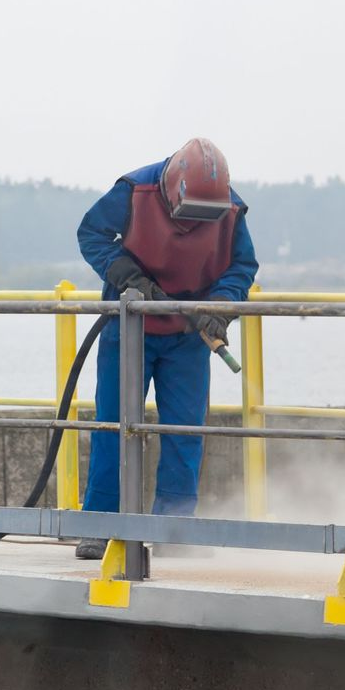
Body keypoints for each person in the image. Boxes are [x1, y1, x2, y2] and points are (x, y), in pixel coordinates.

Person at [72, 137, 259, 559]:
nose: (193, 225)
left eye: (203, 218)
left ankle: (174, 528)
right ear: (172, 190)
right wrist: (127, 275)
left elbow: (242, 267)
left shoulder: (231, 211)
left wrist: (221, 305)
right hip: (129, 326)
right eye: (188, 214)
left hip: (189, 336)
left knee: (185, 432)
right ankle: (101, 526)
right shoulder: (134, 191)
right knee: (114, 429)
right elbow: (92, 233)